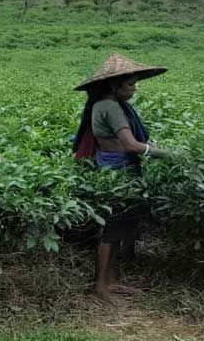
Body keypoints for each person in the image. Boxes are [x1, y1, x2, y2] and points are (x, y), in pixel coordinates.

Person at [72, 53, 171, 301]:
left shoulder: (106, 104)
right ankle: (101, 286)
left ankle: (110, 280)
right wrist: (171, 154)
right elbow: (131, 145)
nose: (134, 89)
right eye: (130, 84)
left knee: (118, 227)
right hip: (118, 169)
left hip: (113, 165)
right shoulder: (110, 106)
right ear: (113, 85)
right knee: (112, 228)